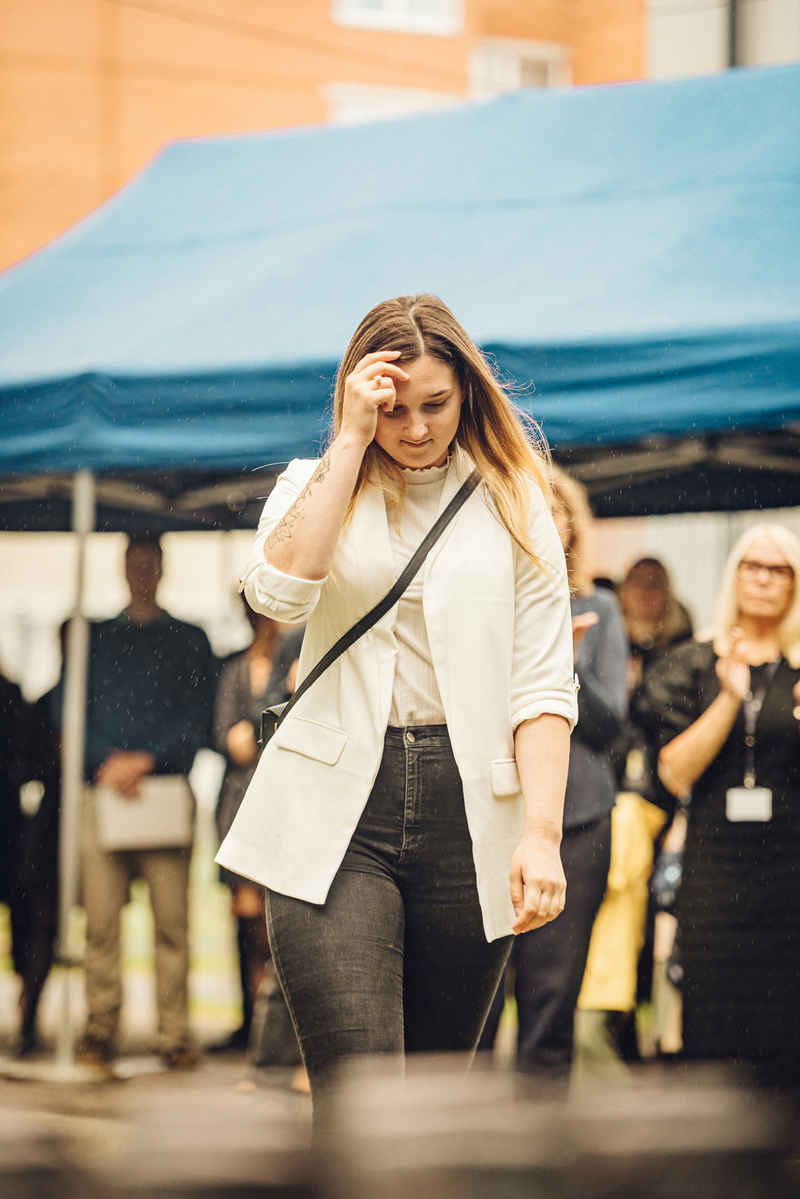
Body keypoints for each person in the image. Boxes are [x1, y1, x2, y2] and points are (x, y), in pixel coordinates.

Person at [216, 293, 576, 1100]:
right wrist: (349, 441)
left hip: (470, 808)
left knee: (436, 1108)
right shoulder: (315, 483)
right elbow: (278, 594)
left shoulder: (516, 496)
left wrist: (542, 833)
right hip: (335, 806)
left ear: (467, 391)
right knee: (360, 1098)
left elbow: (543, 682)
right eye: (393, 408)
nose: (415, 428)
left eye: (435, 405)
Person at [633, 524, 800, 1085]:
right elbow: (674, 773)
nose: (764, 579)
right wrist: (729, 699)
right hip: (717, 870)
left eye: (778, 569)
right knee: (714, 1013)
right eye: (753, 565)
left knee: (786, 1018)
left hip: (791, 868)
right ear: (735, 575)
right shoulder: (696, 663)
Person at [479, 465, 628, 1074]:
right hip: (490, 813)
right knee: (478, 998)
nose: (545, 521)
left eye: (556, 511)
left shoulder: (600, 609)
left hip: (579, 820)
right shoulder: (484, 602)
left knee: (552, 994)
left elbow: (609, 726)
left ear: (571, 527)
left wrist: (562, 664)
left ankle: (542, 1124)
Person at [74, 535, 217, 1072]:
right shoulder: (95, 639)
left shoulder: (189, 641)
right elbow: (71, 707)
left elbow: (200, 711)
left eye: (149, 564)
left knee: (172, 924)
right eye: (134, 564)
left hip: (164, 794)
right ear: (122, 569)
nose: (142, 574)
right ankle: (98, 1029)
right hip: (103, 793)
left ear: (162, 569)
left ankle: (174, 1035)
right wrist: (106, 761)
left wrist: (147, 759)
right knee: (100, 926)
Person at [209, 598, 282, 1053]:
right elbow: (227, 740)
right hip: (240, 804)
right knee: (246, 917)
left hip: (286, 806)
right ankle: (250, 1024)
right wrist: (267, 733)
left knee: (279, 924)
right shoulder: (235, 669)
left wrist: (251, 733)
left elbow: (244, 738)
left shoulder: (302, 661)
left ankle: (277, 1031)